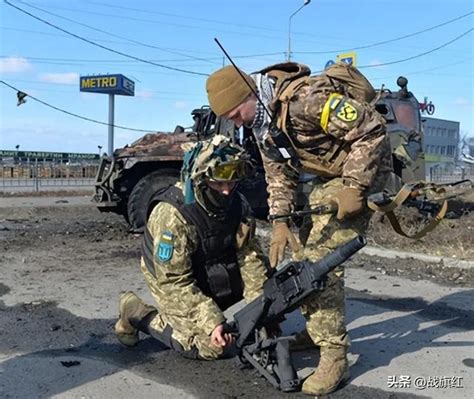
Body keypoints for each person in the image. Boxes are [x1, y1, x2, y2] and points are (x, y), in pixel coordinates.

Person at [206, 63, 393, 395]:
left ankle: (335, 354)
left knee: (321, 265)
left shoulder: (307, 100)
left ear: (250, 94)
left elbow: (372, 129)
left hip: (360, 173)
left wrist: (355, 186)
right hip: (322, 181)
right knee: (300, 260)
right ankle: (315, 329)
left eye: (236, 113)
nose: (236, 122)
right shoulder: (261, 123)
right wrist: (279, 221)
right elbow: (278, 174)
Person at [115, 135, 269, 360]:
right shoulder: (173, 215)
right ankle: (136, 312)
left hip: (210, 267)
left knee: (269, 290)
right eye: (219, 183)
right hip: (169, 278)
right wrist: (211, 321)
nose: (227, 190)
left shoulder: (238, 204)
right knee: (209, 346)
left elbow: (249, 257)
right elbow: (173, 282)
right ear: (201, 179)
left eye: (232, 182)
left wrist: (260, 308)